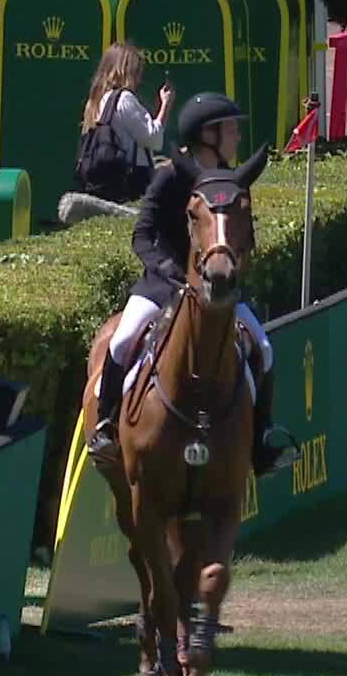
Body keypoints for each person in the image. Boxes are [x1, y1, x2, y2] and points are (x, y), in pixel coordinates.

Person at [87, 91, 295, 477]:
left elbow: (244, 238)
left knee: (263, 349)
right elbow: (143, 235)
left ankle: (261, 439)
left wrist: (233, 266)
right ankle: (106, 427)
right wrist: (173, 274)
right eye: (231, 129)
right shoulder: (169, 175)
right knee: (121, 341)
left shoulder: (232, 181)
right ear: (208, 135)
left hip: (218, 291)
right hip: (162, 286)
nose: (236, 137)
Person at [77, 42, 171, 200]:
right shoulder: (124, 99)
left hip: (106, 182)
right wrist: (165, 104)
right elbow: (153, 138)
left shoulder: (96, 100)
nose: (139, 78)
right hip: (130, 181)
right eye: (137, 71)